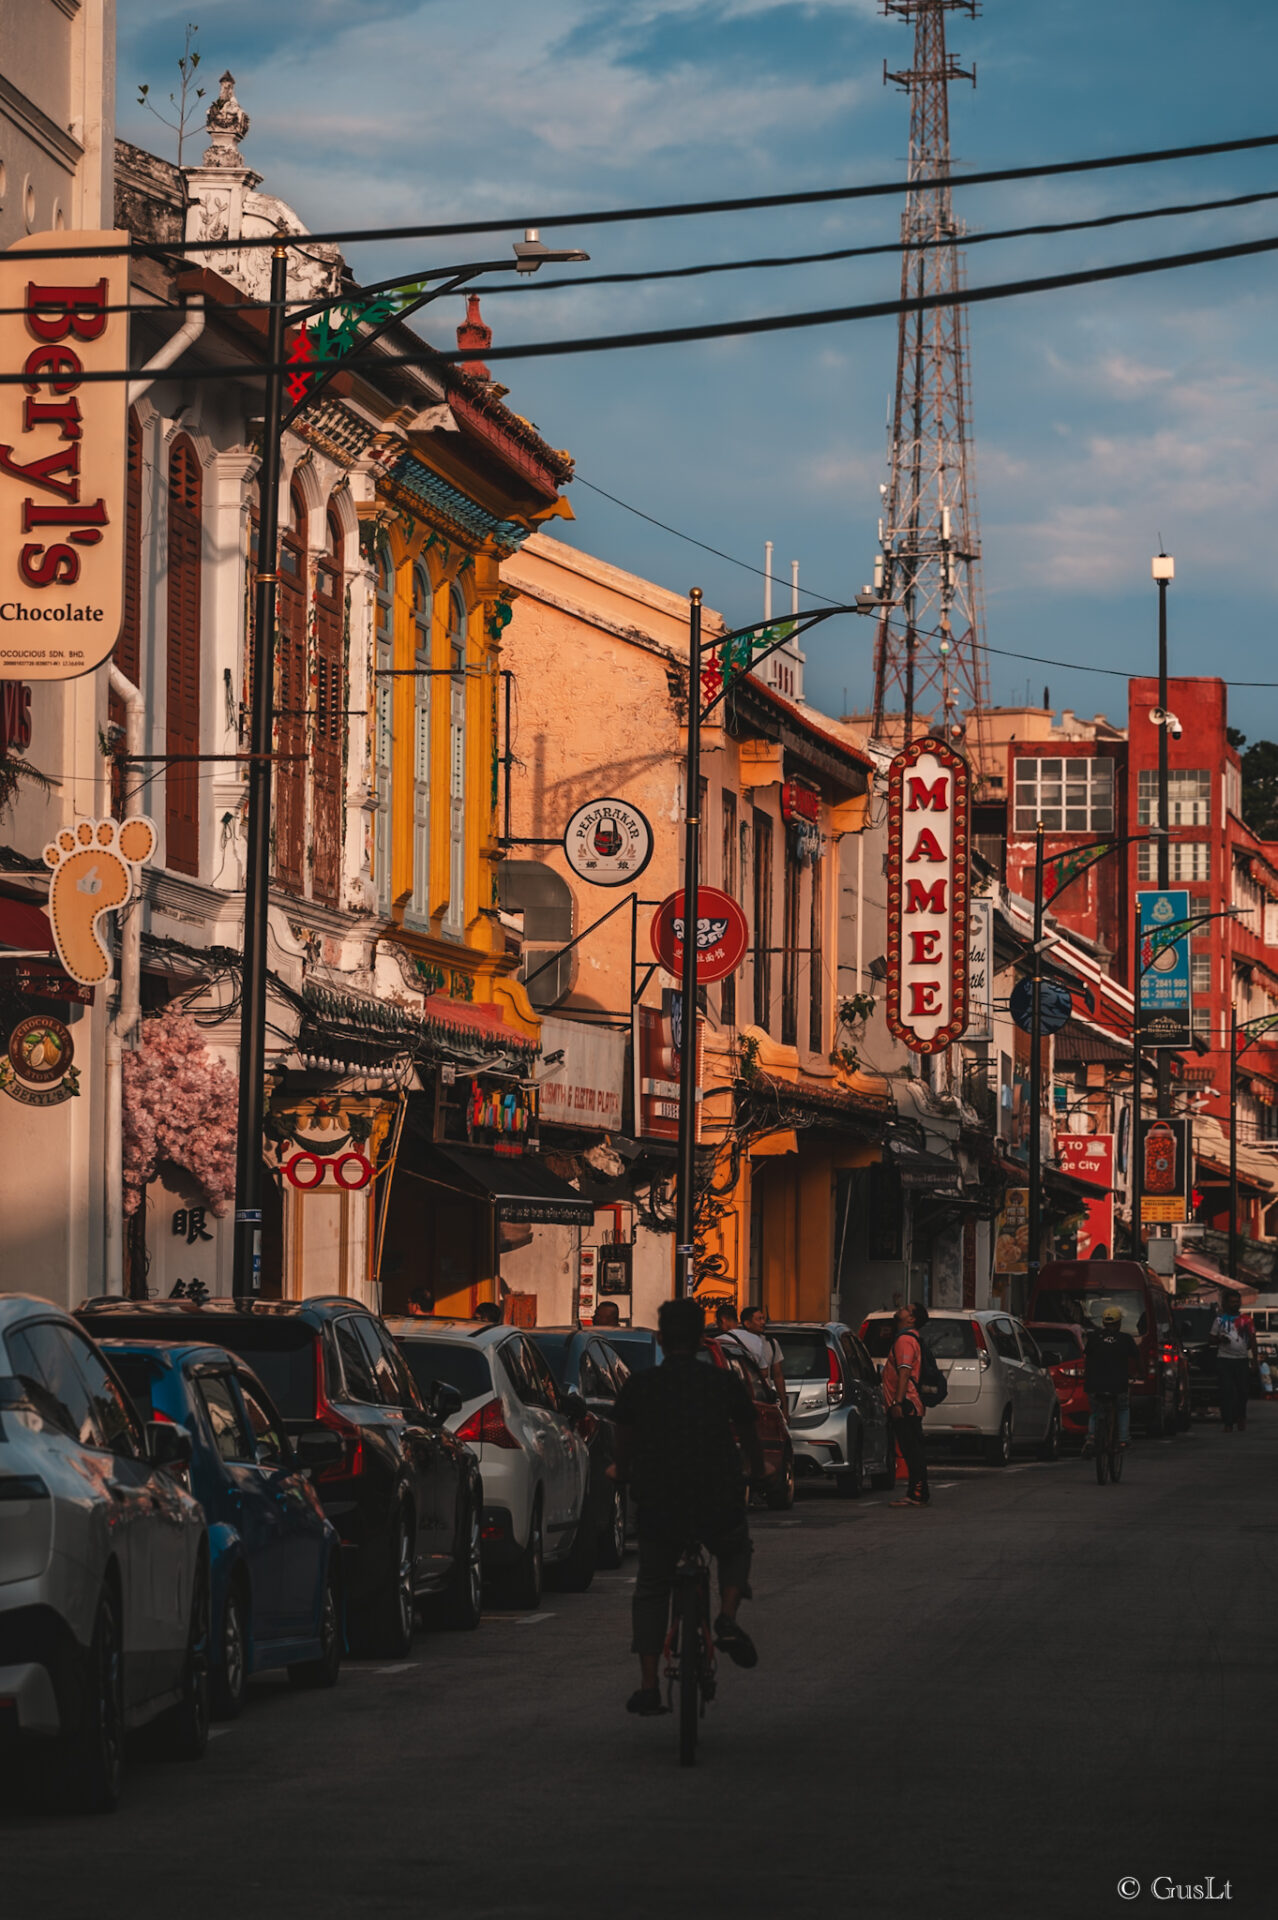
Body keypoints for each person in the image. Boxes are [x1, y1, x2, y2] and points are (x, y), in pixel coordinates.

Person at [612, 1296, 765, 1718]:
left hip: (660, 1501)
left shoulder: (641, 1386)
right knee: (734, 1547)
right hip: (717, 1496)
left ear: (661, 1339)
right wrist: (758, 1469)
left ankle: (648, 1685)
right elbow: (750, 1431)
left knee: (652, 1586)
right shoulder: (721, 1383)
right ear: (702, 1338)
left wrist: (621, 1471)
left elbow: (623, 1438)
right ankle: (728, 1615)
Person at [884, 1302, 931, 1508]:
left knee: (911, 1450)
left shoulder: (904, 1340)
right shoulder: (910, 1339)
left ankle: (917, 1493)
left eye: (905, 1308)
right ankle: (919, 1492)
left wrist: (897, 1402)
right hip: (910, 1402)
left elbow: (904, 1372)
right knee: (913, 1449)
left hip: (906, 1403)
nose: (900, 1309)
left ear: (911, 1318)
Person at [1081, 1304, 1137, 1454]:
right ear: (1119, 1323)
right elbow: (1136, 1360)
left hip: (1094, 1383)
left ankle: (1091, 1438)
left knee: (1095, 1411)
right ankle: (1123, 1439)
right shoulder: (1126, 1339)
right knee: (1123, 1408)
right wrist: (1137, 1375)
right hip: (1118, 1384)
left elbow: (1087, 1357)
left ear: (1104, 1323)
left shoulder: (1094, 1338)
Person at [1211, 1297, 1256, 1432]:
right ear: (1226, 1304)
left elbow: (1253, 1340)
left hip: (1241, 1360)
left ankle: (1241, 1416)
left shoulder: (1247, 1320)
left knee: (1242, 1391)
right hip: (1224, 1359)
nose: (1234, 1304)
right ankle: (1228, 1422)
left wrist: (1255, 1360)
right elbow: (1211, 1338)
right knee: (1226, 1391)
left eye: (1236, 1301)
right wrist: (1220, 1339)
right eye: (1232, 1301)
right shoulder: (1219, 1320)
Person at [741, 1306, 788, 1408]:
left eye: (763, 1318)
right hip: (746, 1400)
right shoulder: (740, 1344)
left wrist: (784, 1406)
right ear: (747, 1324)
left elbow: (778, 1375)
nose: (763, 1322)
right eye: (759, 1319)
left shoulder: (771, 1343)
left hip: (766, 1400)